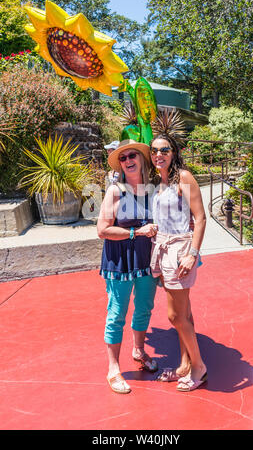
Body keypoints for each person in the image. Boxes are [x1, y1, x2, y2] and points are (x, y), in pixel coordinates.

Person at [97, 139, 159, 394]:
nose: (128, 160)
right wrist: (136, 231)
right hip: (119, 261)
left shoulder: (153, 190)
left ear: (143, 159)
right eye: (123, 158)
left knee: (144, 308)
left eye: (133, 155)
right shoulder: (116, 191)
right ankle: (113, 368)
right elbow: (102, 230)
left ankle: (139, 350)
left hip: (145, 260)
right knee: (117, 313)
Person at [149, 133, 207, 391]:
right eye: (154, 151)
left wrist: (192, 253)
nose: (158, 154)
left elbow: (201, 217)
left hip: (180, 251)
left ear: (173, 152)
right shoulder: (158, 182)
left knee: (174, 316)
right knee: (185, 313)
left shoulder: (183, 177)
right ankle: (185, 365)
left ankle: (199, 367)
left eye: (164, 150)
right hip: (163, 249)